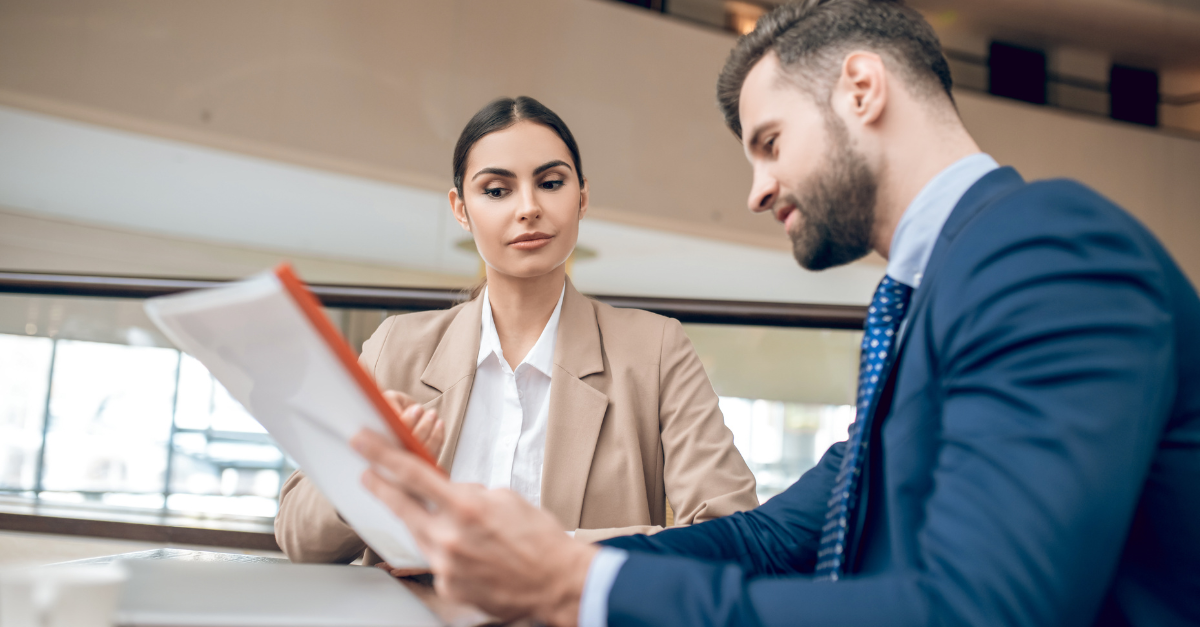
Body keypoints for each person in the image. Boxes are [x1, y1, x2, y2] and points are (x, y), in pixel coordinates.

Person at [349, 0, 1200, 625]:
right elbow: (766, 539)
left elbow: (984, 612)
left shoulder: (1044, 250)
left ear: (861, 88)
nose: (755, 191)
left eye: (768, 142)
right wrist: (536, 559)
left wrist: (574, 589)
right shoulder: (932, 295)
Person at [275, 96, 759, 568]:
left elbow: (731, 533)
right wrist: (372, 467)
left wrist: (546, 548)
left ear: (582, 197)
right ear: (461, 208)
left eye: (550, 183)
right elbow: (299, 536)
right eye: (496, 190)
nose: (528, 207)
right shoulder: (395, 347)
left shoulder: (654, 349)